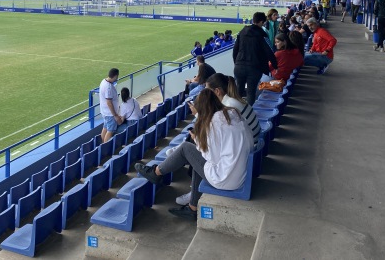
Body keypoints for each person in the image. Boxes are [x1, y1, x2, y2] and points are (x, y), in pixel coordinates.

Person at [135, 88, 254, 221]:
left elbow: (210, 158)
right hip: (238, 173)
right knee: (196, 159)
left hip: (226, 178)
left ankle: (156, 173)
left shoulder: (214, 122)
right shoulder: (232, 113)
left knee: (187, 148)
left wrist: (198, 142)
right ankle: (192, 208)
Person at [233, 12, 278, 105]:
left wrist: (236, 63)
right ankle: (250, 115)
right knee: (250, 92)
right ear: (261, 22)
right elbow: (269, 51)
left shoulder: (242, 32)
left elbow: (235, 50)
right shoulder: (262, 35)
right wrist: (276, 66)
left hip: (239, 66)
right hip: (254, 68)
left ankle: (236, 113)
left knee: (238, 92)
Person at [99, 68, 122, 142]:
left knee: (105, 128)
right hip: (109, 114)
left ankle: (102, 144)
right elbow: (109, 102)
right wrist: (115, 115)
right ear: (115, 76)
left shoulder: (103, 81)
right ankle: (104, 148)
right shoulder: (108, 87)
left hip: (104, 112)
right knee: (110, 131)